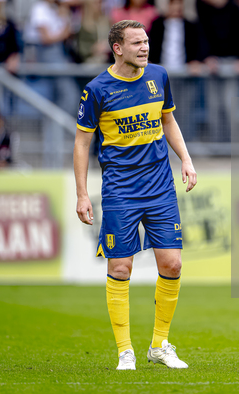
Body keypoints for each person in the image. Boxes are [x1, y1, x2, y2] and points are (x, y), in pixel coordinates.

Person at [73, 20, 197, 370]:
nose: (144, 48)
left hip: (159, 186)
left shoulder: (158, 76)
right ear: (118, 48)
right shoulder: (97, 90)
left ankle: (159, 345)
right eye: (137, 43)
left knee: (172, 264)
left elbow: (168, 120)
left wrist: (185, 160)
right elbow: (82, 143)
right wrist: (82, 194)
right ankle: (125, 351)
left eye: (146, 41)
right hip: (121, 191)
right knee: (121, 266)